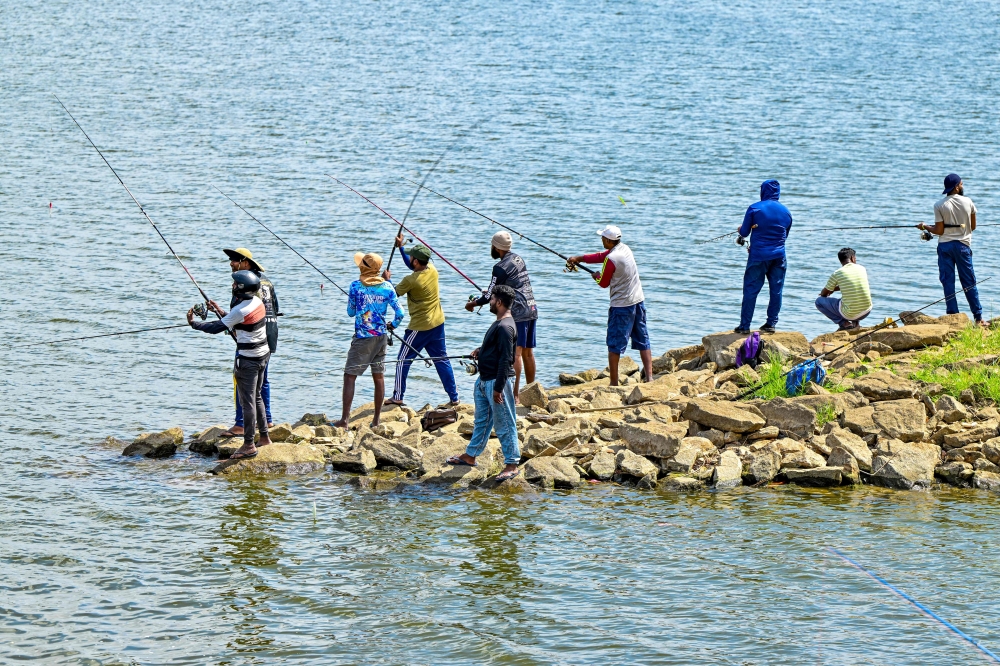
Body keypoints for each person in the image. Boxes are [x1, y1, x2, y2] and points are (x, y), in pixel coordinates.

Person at [187, 270, 271, 460]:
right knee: (257, 396)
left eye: (235, 285)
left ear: (241, 289)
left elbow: (217, 327)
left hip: (248, 360)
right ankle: (264, 437)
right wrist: (221, 311)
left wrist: (193, 324)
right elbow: (234, 320)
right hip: (263, 355)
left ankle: (249, 445)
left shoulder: (240, 310)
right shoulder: (257, 302)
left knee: (247, 401)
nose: (233, 287)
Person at [447, 285, 521, 482]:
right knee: (482, 421)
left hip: (497, 383)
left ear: (498, 301)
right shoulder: (500, 323)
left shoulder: (505, 327)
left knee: (504, 423)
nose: (489, 301)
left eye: (492, 298)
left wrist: (498, 388)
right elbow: (497, 349)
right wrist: (482, 350)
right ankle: (470, 456)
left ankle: (512, 464)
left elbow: (507, 360)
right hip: (484, 380)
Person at [567, 225, 653, 386]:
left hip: (621, 306)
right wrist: (579, 258)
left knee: (614, 344)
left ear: (608, 240)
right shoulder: (624, 249)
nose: (601, 239)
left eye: (602, 238)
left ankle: (613, 382)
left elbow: (604, 282)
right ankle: (649, 378)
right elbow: (602, 256)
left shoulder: (612, 260)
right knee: (643, 339)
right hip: (638, 301)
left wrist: (596, 276)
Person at [382, 233, 460, 407]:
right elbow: (412, 267)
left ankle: (398, 396)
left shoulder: (410, 280)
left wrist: (387, 281)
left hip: (419, 327)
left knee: (402, 360)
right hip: (438, 323)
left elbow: (392, 294)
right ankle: (454, 397)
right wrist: (400, 248)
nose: (409, 259)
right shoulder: (432, 270)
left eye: (411, 257)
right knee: (442, 360)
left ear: (416, 261)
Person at [332, 252, 404, 429]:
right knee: (378, 377)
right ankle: (376, 421)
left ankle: (344, 421)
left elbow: (350, 312)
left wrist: (357, 304)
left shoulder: (356, 286)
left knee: (350, 376)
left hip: (363, 339)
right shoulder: (387, 287)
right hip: (381, 338)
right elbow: (400, 313)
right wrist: (392, 325)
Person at [467, 231, 538, 402]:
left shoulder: (499, 267)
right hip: (531, 307)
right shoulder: (518, 258)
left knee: (517, 354)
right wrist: (493, 291)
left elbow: (489, 294)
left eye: (492, 245)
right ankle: (532, 390)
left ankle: (515, 394)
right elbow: (509, 285)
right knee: (528, 353)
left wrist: (473, 304)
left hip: (518, 312)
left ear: (496, 247)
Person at [219, 248, 279, 438]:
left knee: (242, 380)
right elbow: (274, 309)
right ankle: (267, 419)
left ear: (246, 262)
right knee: (263, 380)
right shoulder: (266, 282)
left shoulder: (243, 284)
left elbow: (241, 313)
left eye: (234, 261)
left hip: (251, 340)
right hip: (269, 335)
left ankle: (240, 424)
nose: (231, 264)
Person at [917, 174, 987, 326]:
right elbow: (973, 227)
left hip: (945, 247)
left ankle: (953, 316)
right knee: (969, 282)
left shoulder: (939, 205)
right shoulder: (968, 201)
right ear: (956, 187)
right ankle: (978, 318)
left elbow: (939, 230)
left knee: (948, 281)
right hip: (963, 246)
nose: (962, 186)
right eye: (961, 184)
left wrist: (924, 226)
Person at [735, 179, 793, 334]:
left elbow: (744, 233)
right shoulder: (786, 212)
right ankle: (771, 324)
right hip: (779, 256)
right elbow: (783, 236)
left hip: (758, 256)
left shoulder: (754, 208)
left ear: (763, 191)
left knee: (750, 289)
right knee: (776, 290)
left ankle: (744, 326)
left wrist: (740, 229)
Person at [815, 248, 872, 330]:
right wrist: (834, 289)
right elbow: (852, 284)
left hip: (850, 314)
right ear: (852, 258)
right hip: (867, 311)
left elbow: (824, 293)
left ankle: (844, 323)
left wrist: (827, 292)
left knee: (819, 301)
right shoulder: (862, 268)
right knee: (853, 296)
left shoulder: (837, 273)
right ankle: (856, 322)